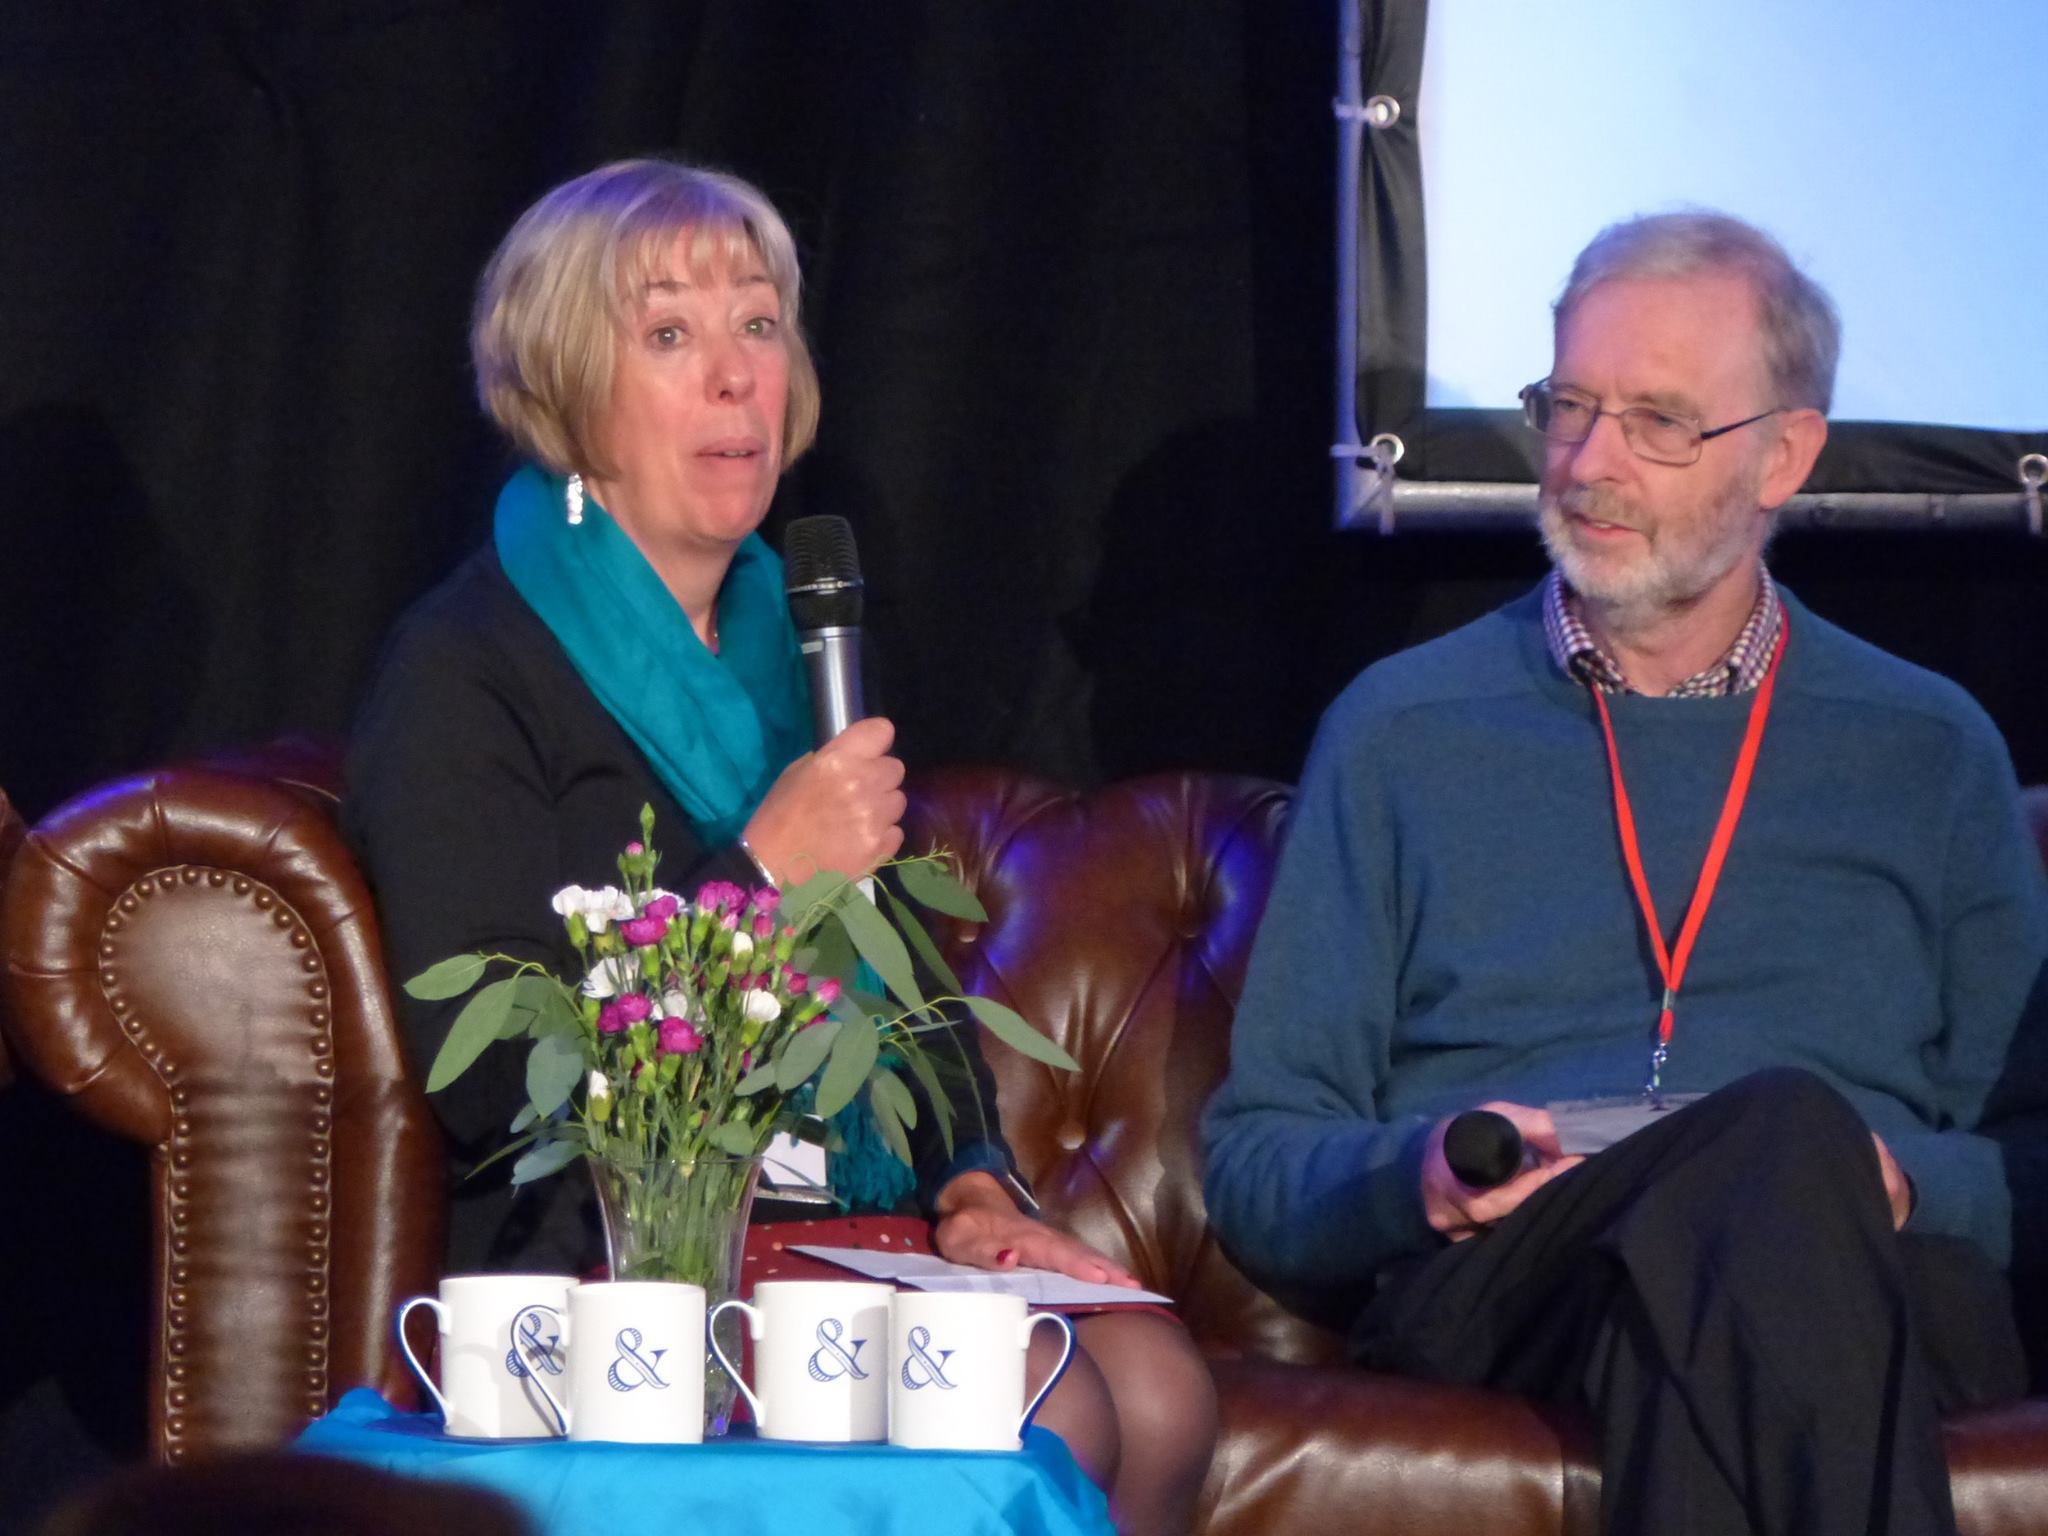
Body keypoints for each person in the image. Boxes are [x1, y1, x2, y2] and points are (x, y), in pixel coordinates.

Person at [344, 158, 1213, 1534]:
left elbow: (902, 982)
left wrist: (973, 1181)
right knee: (1058, 1407)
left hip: (837, 1219)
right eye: (670, 334)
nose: (735, 375)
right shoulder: (466, 669)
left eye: (758, 324)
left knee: (1161, 1389)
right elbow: (497, 1076)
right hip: (626, 1247)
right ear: (568, 386)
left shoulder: (796, 645)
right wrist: (756, 878)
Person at [1201, 211, 2048, 1536]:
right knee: (1772, 1155)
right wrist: (1420, 1172)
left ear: (1785, 455)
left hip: (1866, 1267)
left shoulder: (1928, 748)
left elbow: (2033, 1156)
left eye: (1658, 422)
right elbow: (1260, 1155)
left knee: (1780, 1161)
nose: (1590, 463)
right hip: (1522, 1277)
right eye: (1570, 406)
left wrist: (1900, 1182)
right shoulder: (1403, 728)